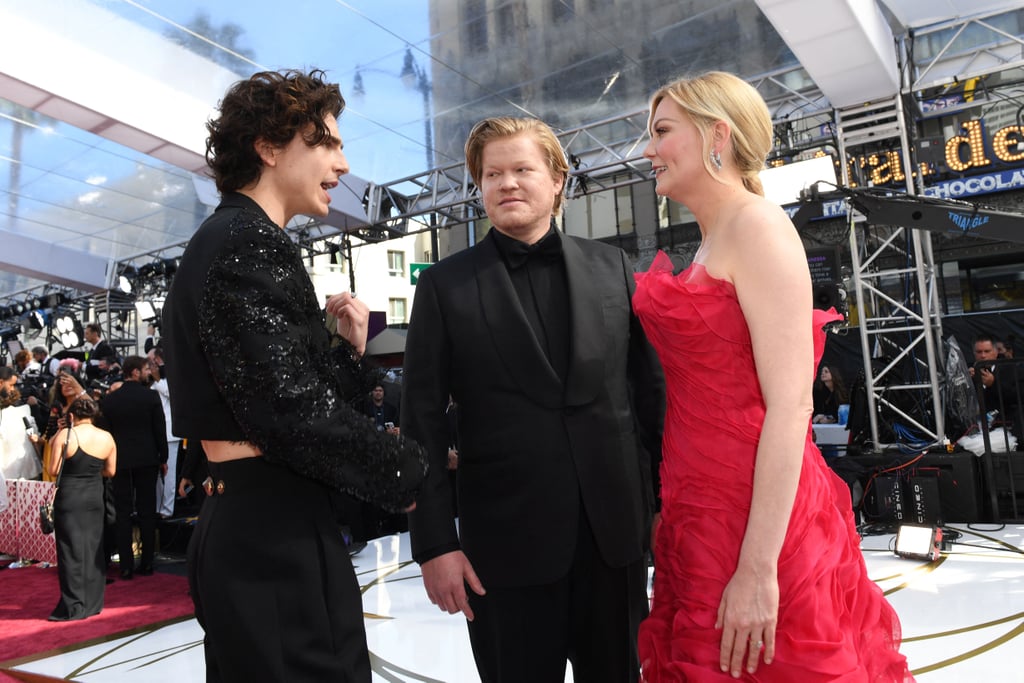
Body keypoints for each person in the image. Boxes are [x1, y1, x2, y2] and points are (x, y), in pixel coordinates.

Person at [632, 71, 913, 681]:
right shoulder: (715, 238)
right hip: (700, 505)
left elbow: (790, 409)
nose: (647, 150)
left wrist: (758, 567)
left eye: (660, 132)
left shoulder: (757, 227)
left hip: (755, 516)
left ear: (717, 135)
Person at [160, 68, 427, 682]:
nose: (342, 162)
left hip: (257, 529)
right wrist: (408, 470)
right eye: (327, 142)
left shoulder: (232, 239)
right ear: (270, 147)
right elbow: (290, 415)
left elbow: (268, 395)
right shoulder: (247, 243)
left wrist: (352, 358)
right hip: (271, 542)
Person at [401, 116, 665, 682]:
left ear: (557, 181)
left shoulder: (614, 267)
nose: (507, 184)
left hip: (613, 542)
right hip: (503, 550)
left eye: (522, 169)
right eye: (492, 174)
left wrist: (666, 511)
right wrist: (434, 546)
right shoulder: (444, 286)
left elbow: (649, 402)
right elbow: (420, 423)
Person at [48, 396, 116, 621]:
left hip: (69, 498)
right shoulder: (106, 437)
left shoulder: (67, 435)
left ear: (71, 415)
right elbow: (110, 471)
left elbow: (53, 468)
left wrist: (56, 436)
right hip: (94, 496)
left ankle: (74, 605)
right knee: (93, 548)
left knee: (70, 550)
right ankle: (94, 603)